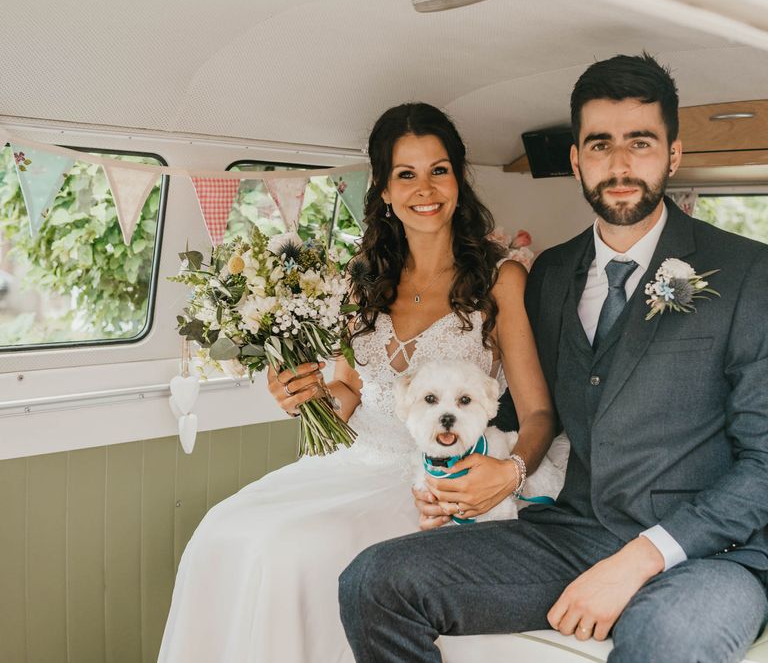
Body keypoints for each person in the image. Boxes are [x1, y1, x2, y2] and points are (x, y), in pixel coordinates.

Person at [339, 53, 768, 663]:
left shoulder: (752, 273)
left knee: (665, 640)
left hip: (708, 555)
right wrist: (462, 473)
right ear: (576, 159)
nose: (619, 165)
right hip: (572, 533)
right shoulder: (548, 277)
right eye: (599, 146)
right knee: (374, 582)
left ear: (673, 155)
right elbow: (521, 410)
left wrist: (639, 560)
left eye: (640, 143)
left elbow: (765, 464)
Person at [158, 102, 561, 662]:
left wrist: (511, 470)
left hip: (432, 477)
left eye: (439, 170)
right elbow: (348, 393)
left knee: (290, 549)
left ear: (459, 180)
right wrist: (309, 396)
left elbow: (540, 412)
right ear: (384, 189)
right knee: (221, 530)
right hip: (349, 461)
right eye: (406, 174)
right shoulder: (360, 278)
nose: (425, 188)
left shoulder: (501, 278)